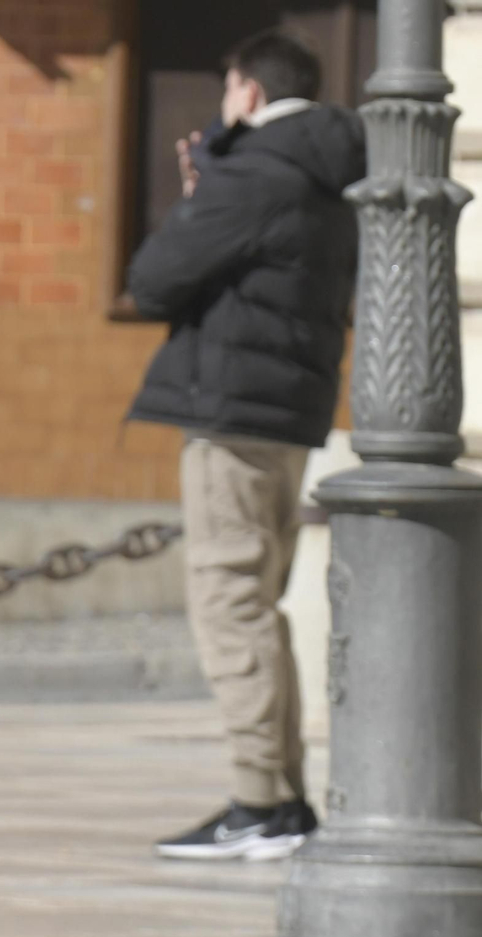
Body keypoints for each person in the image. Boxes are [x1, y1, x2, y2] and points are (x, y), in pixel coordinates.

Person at [124, 32, 366, 861]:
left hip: (232, 413)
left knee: (229, 600)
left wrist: (199, 192)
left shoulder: (255, 170)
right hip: (292, 412)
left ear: (251, 94)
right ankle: (281, 797)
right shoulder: (330, 174)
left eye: (227, 93)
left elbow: (154, 277)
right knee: (257, 604)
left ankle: (262, 801)